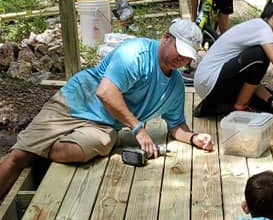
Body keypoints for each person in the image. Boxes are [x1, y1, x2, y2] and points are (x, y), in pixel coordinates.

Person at [0, 19, 214, 201]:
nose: (182, 59)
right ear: (166, 37)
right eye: (180, 51)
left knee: (79, 150)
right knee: (17, 157)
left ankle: (40, 152)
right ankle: (32, 153)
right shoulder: (136, 53)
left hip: (104, 125)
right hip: (74, 103)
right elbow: (105, 92)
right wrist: (138, 129)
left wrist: (194, 137)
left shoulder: (175, 84)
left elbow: (176, 125)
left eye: (188, 57)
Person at [192, 0, 273, 117]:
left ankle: (214, 107)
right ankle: (239, 106)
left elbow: (250, 79)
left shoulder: (258, 30)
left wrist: (272, 100)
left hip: (209, 84)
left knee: (269, 105)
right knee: (260, 55)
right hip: (209, 80)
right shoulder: (262, 28)